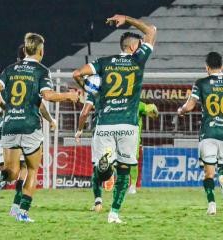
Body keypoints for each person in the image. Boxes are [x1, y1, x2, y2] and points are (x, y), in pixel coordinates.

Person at [0, 33, 79, 222]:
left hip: (10, 125)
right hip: (30, 126)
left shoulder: (10, 69)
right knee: (32, 169)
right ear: (41, 51)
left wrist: (6, 107)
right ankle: (22, 212)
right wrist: (69, 96)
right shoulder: (41, 71)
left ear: (25, 49)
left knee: (11, 173)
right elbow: (48, 96)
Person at [73, 14, 157, 223]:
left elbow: (76, 73)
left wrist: (95, 92)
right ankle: (114, 213)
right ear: (131, 47)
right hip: (128, 124)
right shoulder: (138, 60)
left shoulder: (104, 63)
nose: (140, 47)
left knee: (102, 172)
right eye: (138, 44)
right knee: (124, 170)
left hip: (105, 123)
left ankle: (106, 166)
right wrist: (126, 18)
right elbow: (152, 30)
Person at [0, 43, 57, 217]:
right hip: (27, 127)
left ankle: (14, 205)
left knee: (12, 174)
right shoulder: (34, 75)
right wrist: (50, 119)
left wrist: (4, 111)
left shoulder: (10, 74)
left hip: (7, 129)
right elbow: (39, 104)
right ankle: (19, 209)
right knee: (26, 170)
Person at [177, 52, 223, 215]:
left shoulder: (201, 83)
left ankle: (212, 205)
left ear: (206, 67)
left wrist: (180, 111)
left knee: (208, 173)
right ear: (222, 66)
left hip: (208, 133)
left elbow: (189, 107)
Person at [128, 101, 158, 194]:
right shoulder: (121, 103)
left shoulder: (139, 104)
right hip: (120, 135)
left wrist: (153, 110)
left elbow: (152, 110)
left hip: (134, 138)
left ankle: (132, 186)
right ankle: (119, 183)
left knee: (133, 161)